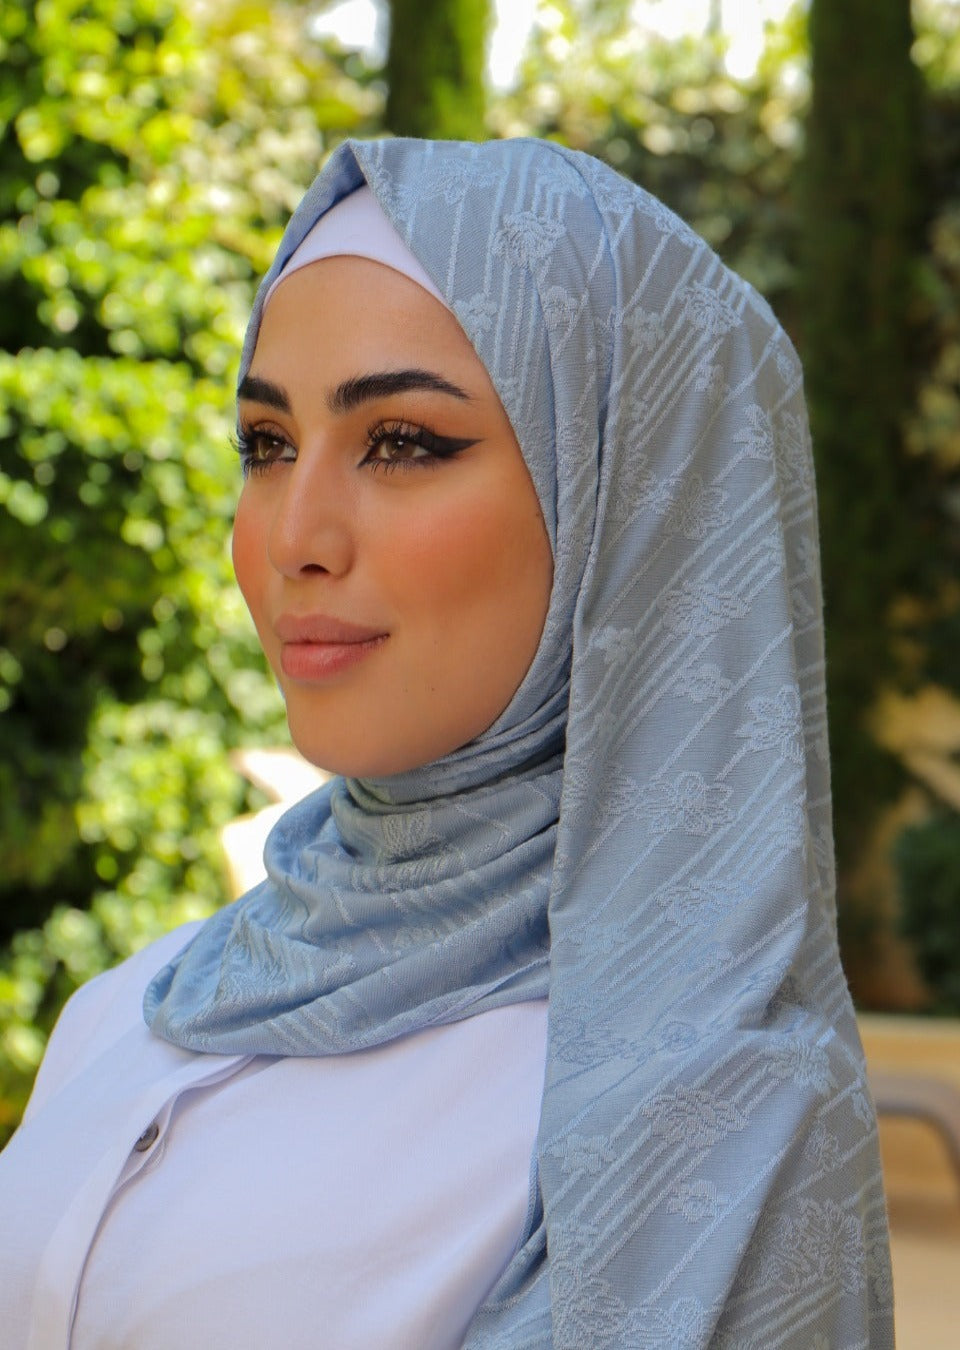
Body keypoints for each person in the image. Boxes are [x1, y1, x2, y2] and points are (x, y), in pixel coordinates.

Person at [0, 137, 893, 1349]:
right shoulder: (137, 1010)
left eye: (405, 443)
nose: (293, 535)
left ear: (622, 509)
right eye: (266, 445)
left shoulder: (715, 1119)